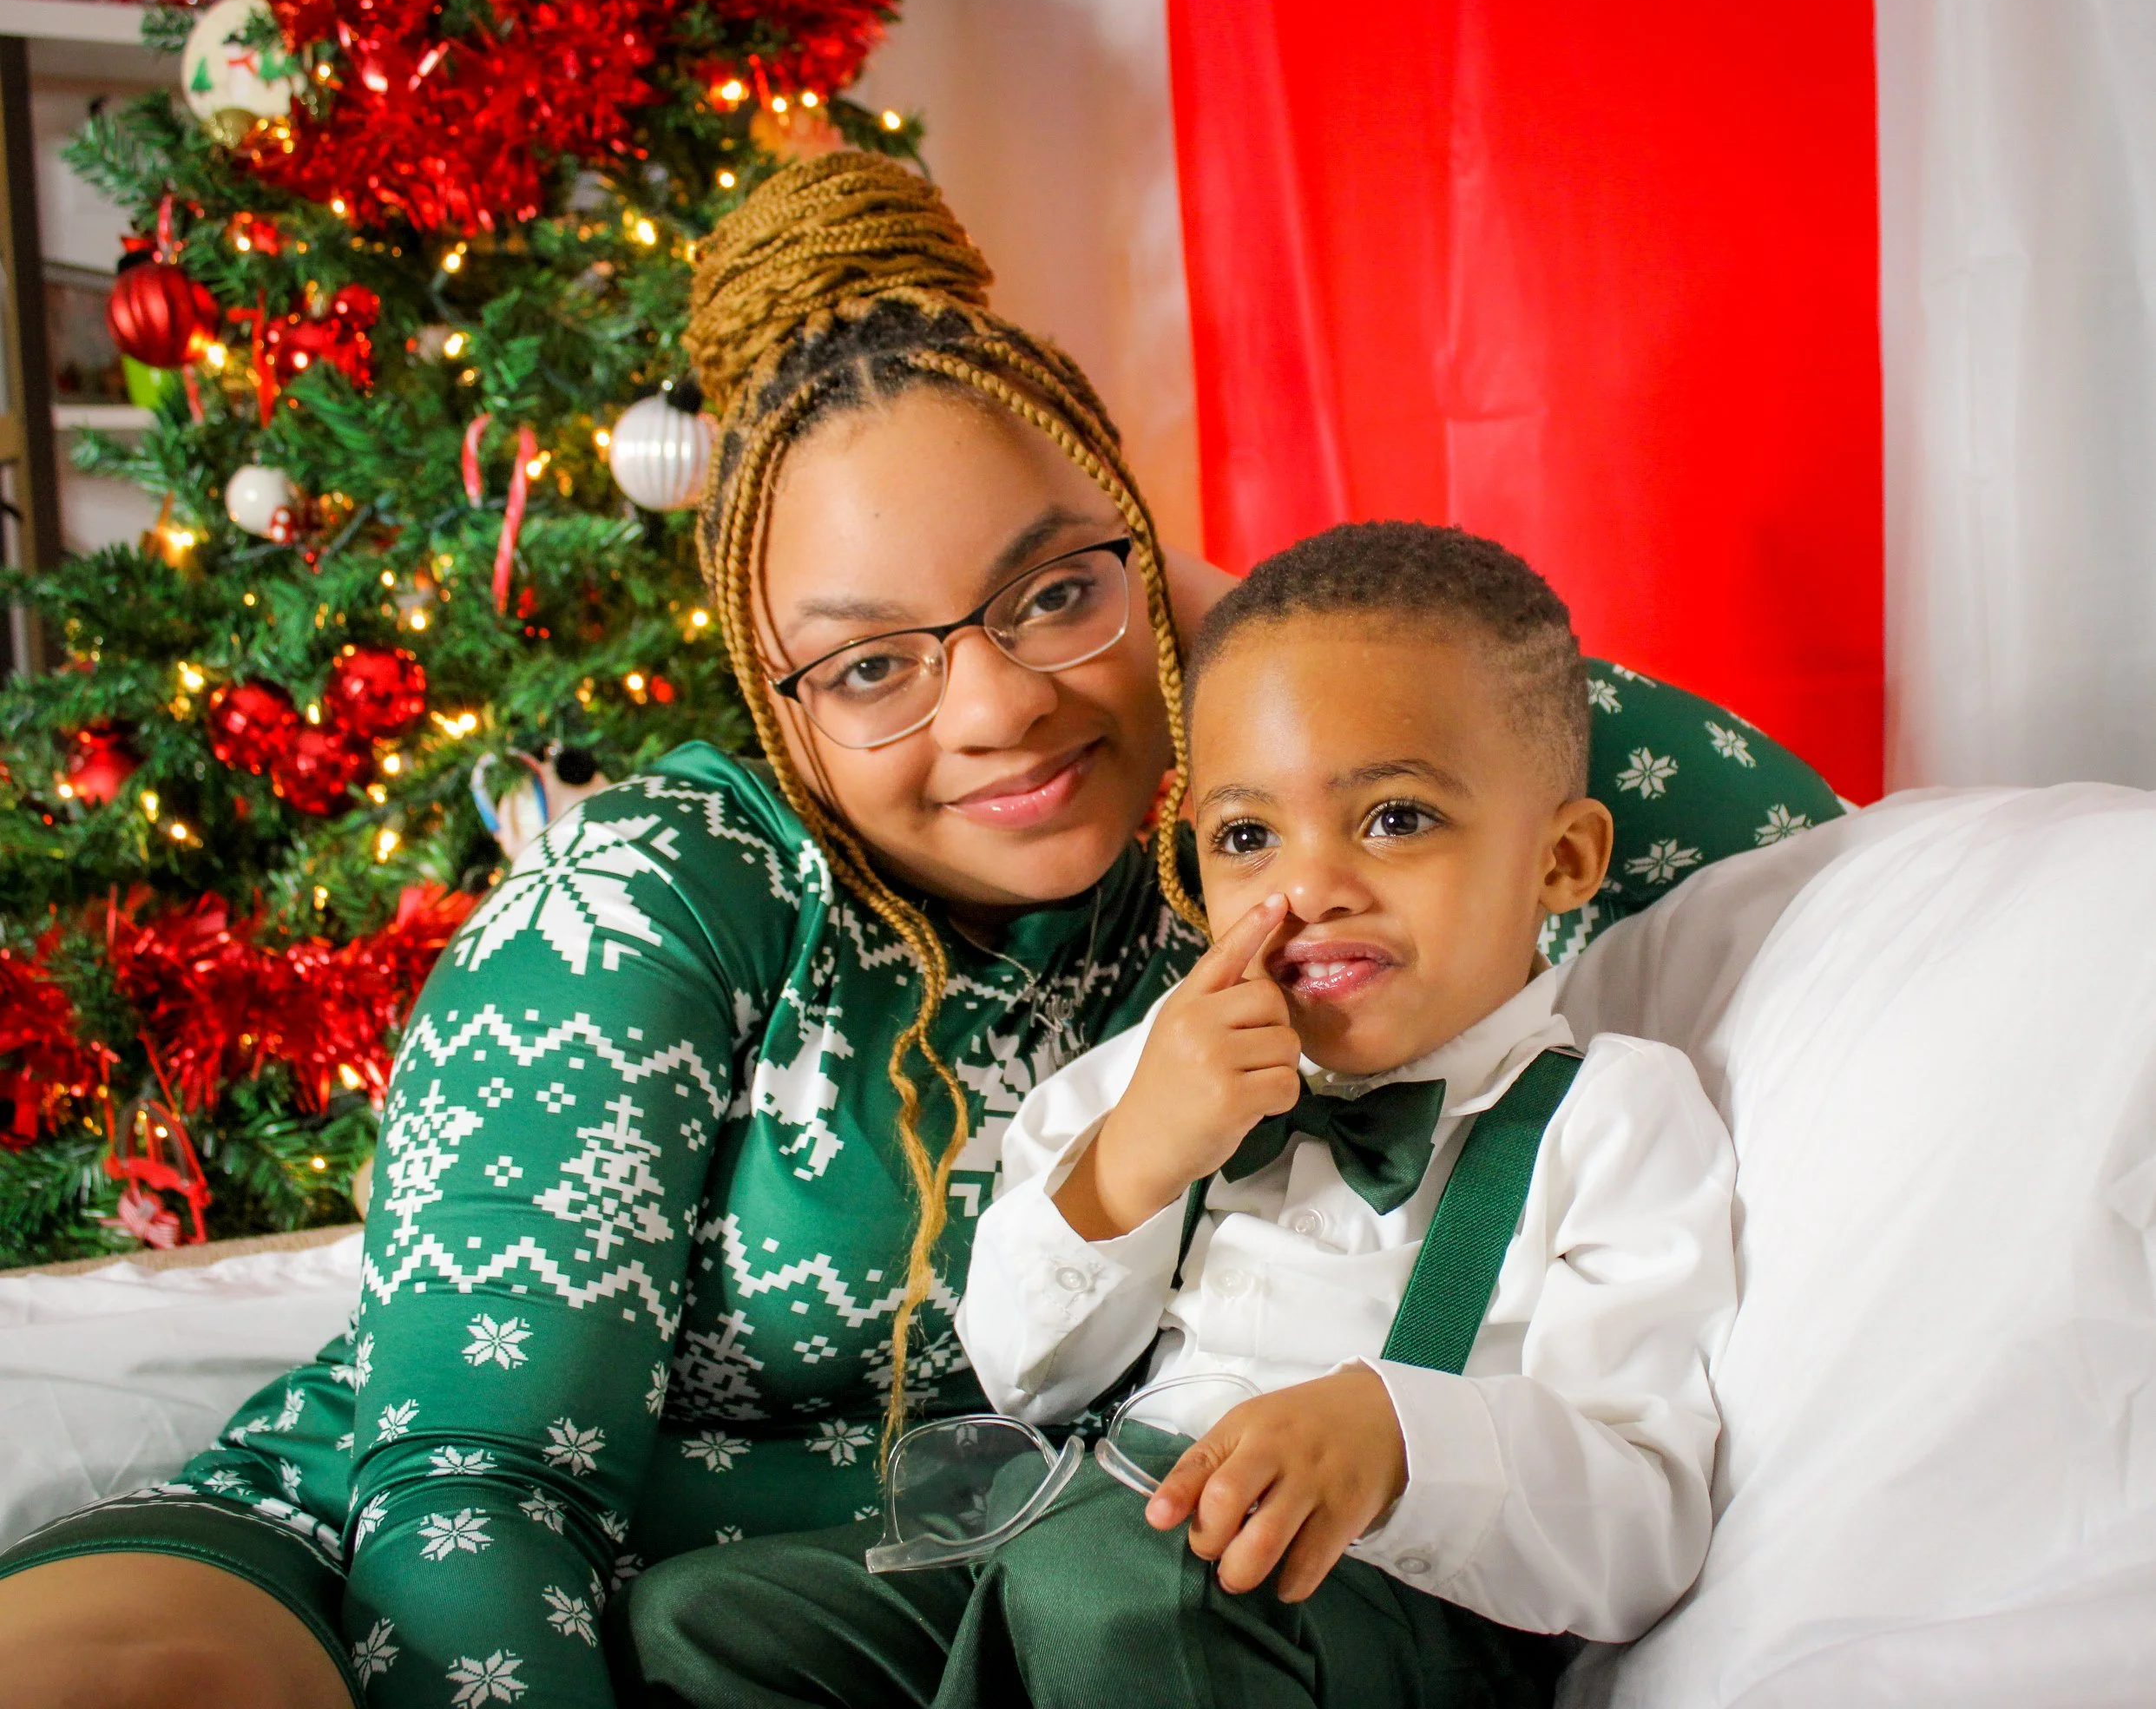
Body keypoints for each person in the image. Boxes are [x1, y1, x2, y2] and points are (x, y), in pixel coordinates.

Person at [0, 155, 1833, 1709]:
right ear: (775, 696)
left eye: (1051, 586)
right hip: (395, 1574)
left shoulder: (1250, 824)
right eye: (875, 660)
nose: (1000, 711)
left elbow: (1669, 782)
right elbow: (474, 1481)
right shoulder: (659, 896)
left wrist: (1235, 632)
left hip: (983, 1609)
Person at [619, 523, 1737, 1707]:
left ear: (1561, 862)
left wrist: (1400, 1438)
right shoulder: (1157, 1070)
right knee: (701, 1624)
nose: (1308, 889)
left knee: (1125, 1584)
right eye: (1249, 837)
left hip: (1367, 1611)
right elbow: (1025, 1380)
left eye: (1396, 818)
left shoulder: (1611, 1114)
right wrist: (1132, 1167)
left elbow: (1645, 1524)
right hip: (1085, 1536)